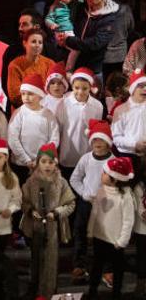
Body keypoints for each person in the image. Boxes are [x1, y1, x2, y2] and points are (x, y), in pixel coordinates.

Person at [20, 143, 75, 298]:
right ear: (38, 163)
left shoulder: (61, 182)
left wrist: (57, 213)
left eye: (51, 162)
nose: (47, 166)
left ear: (55, 164)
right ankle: (34, 289)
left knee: (50, 260)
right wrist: (31, 211)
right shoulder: (31, 182)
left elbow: (70, 203)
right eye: (43, 162)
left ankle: (48, 291)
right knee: (36, 258)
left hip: (53, 228)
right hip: (36, 227)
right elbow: (23, 201)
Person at [69, 119, 115, 284]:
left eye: (101, 139)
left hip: (106, 205)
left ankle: (107, 269)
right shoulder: (86, 159)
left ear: (108, 142)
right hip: (86, 203)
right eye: (95, 139)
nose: (97, 143)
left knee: (106, 236)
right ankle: (79, 265)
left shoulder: (113, 161)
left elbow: (118, 184)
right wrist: (85, 194)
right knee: (80, 232)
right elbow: (75, 179)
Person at [87, 157, 135, 299]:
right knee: (96, 266)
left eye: (105, 173)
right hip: (99, 236)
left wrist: (122, 241)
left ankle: (116, 293)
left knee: (117, 269)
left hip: (115, 241)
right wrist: (90, 231)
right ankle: (92, 290)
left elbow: (128, 221)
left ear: (115, 179)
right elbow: (94, 212)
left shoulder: (125, 196)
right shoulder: (101, 191)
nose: (102, 175)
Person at [62, 0, 119, 76]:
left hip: (92, 70)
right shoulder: (80, 8)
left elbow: (95, 43)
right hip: (71, 66)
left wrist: (70, 40)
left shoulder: (109, 19)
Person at [6, 29, 55, 107]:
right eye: (33, 42)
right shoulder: (15, 65)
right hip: (23, 111)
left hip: (47, 109)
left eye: (40, 42)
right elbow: (14, 96)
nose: (37, 45)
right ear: (24, 43)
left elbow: (55, 89)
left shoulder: (50, 64)